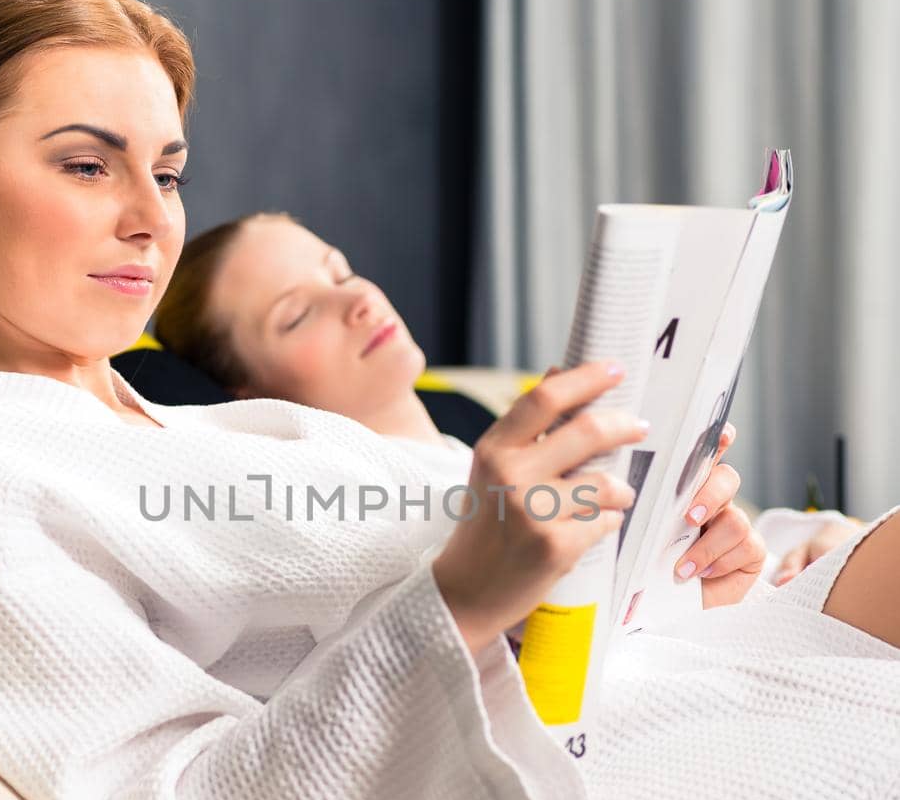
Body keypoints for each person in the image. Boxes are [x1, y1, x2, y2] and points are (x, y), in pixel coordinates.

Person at [0, 0, 898, 800]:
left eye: (166, 172)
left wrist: (661, 555)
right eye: (85, 165)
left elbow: (519, 602)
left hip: (646, 691)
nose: (151, 218)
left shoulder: (235, 432)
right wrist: (468, 593)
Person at [153, 210, 859, 588]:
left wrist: (768, 551)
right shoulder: (336, 495)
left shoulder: (489, 433)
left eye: (341, 271)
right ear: (241, 392)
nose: (359, 299)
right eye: (297, 313)